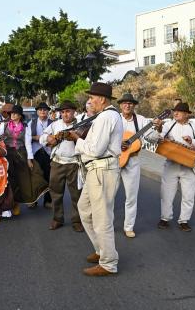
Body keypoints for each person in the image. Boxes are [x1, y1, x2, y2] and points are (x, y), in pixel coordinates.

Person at [67, 82, 123, 276]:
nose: (89, 101)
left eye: (92, 98)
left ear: (102, 99)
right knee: (84, 210)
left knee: (102, 219)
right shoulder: (105, 115)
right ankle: (102, 251)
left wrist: (77, 139)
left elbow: (95, 149)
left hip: (102, 170)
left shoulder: (107, 116)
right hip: (97, 170)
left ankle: (108, 263)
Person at [149, 102, 195, 232]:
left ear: (187, 114)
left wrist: (193, 141)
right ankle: (165, 219)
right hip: (171, 165)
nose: (175, 113)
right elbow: (158, 138)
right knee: (166, 193)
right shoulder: (169, 125)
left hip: (188, 166)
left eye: (179, 111)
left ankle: (184, 221)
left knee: (188, 195)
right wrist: (159, 128)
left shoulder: (194, 126)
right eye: (174, 111)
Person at [39, 101, 84, 232]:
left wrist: (77, 137)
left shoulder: (80, 126)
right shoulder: (55, 125)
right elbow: (42, 137)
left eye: (68, 111)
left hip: (74, 163)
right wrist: (48, 139)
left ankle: (77, 220)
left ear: (74, 111)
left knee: (77, 195)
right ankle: (57, 219)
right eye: (63, 112)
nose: (65, 114)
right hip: (57, 163)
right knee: (56, 193)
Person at [0, 105, 49, 215]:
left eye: (15, 113)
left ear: (20, 115)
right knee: (8, 180)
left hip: (21, 154)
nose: (13, 115)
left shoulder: (25, 127)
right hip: (7, 155)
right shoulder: (4, 125)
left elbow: (27, 144)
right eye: (11, 113)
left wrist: (30, 159)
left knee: (22, 180)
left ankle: (17, 203)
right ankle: (8, 205)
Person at [117, 93, 152, 238]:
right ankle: (105, 225)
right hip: (115, 159)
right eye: (125, 103)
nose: (127, 105)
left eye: (130, 103)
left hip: (133, 161)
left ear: (134, 105)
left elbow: (151, 136)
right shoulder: (115, 118)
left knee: (131, 196)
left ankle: (129, 227)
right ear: (120, 105)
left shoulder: (142, 120)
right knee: (108, 195)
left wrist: (158, 128)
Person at [29, 102, 53, 208]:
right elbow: (28, 138)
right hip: (36, 153)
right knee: (36, 178)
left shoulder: (54, 123)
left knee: (49, 177)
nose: (43, 111)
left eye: (45, 110)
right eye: (40, 110)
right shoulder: (31, 123)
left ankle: (48, 201)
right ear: (37, 112)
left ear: (48, 111)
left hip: (49, 153)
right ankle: (34, 200)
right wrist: (38, 138)